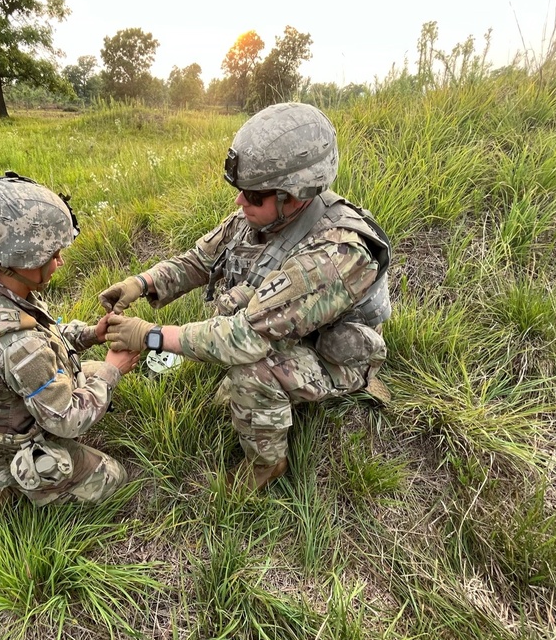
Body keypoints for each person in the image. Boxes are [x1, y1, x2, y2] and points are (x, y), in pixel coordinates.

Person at [99, 102, 392, 492]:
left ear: (295, 195)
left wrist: (150, 335)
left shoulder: (337, 254)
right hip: (287, 325)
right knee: (235, 313)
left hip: (334, 353)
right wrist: (143, 282)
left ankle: (267, 464)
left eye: (253, 195)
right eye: (241, 192)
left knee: (250, 368)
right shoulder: (259, 216)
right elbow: (199, 261)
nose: (240, 203)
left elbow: (243, 338)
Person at [0, 171, 139, 511]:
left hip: (2, 411)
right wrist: (113, 371)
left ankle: (4, 474)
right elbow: (67, 420)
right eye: (52, 254)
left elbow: (47, 331)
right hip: (12, 439)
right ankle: (5, 486)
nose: (60, 261)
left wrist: (91, 334)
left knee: (93, 371)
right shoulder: (18, 345)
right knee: (113, 480)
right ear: (21, 259)